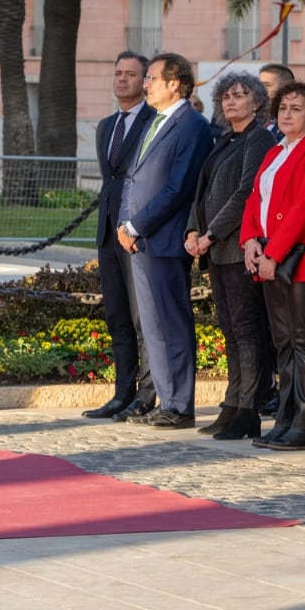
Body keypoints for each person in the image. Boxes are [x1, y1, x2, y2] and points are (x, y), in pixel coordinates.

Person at [118, 53, 214, 429]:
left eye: (153, 78)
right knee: (152, 324)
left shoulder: (191, 125)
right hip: (139, 239)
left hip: (165, 238)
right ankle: (164, 399)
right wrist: (126, 224)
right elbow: (134, 177)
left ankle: (180, 405)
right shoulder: (154, 120)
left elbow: (178, 188)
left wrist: (137, 225)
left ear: (176, 83)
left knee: (170, 321)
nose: (146, 84)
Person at [238, 82, 305, 450]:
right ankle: (286, 418)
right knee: (284, 343)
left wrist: (273, 253)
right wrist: (249, 239)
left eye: (296, 108)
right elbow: (254, 197)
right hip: (268, 256)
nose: (287, 114)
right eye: (282, 108)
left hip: (303, 259)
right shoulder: (274, 151)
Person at [185, 71, 276, 440]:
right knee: (230, 330)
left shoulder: (260, 138)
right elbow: (201, 190)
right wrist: (193, 229)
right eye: (226, 96)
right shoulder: (224, 138)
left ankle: (248, 408)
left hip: (240, 248)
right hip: (216, 250)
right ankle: (232, 403)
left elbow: (245, 193)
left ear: (257, 102)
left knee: (247, 330)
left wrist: (209, 233)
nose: (231, 101)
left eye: (240, 95)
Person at [83, 52, 158, 421]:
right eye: (118, 73)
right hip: (108, 233)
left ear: (146, 82)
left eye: (130, 74)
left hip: (138, 233)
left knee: (142, 316)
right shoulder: (106, 126)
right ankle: (122, 394)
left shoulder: (153, 122)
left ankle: (147, 394)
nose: (122, 79)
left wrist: (136, 224)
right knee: (117, 317)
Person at [259, 64, 295, 140]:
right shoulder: (255, 118)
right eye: (258, 85)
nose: (259, 89)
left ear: (284, 88)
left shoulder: (289, 122)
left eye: (266, 85)